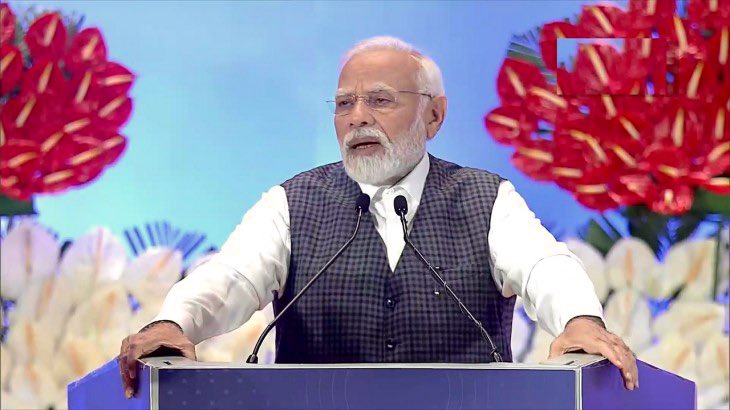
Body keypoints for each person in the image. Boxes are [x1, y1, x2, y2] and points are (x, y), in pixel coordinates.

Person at [118, 36, 638, 398]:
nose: (358, 118)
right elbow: (232, 275)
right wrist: (174, 322)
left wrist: (579, 322)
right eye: (344, 104)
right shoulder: (293, 201)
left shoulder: (486, 197)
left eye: (380, 101)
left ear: (434, 115)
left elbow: (543, 265)